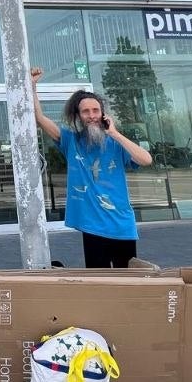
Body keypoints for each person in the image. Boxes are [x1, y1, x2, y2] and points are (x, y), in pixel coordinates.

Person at [30, 67, 153, 268]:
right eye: (86, 111)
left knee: (127, 282)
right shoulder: (71, 141)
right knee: (99, 282)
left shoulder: (117, 144)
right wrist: (33, 86)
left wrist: (114, 133)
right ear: (79, 116)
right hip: (93, 226)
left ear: (103, 114)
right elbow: (40, 118)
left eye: (95, 110)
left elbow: (146, 160)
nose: (92, 115)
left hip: (122, 225)